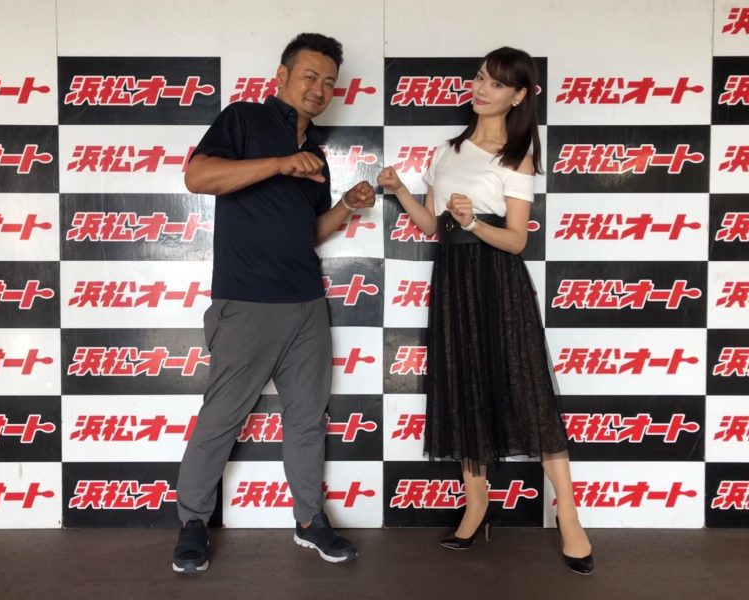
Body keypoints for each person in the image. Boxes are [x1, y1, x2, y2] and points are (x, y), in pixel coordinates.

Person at [377, 46, 594, 575]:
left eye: (496, 83)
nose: (481, 89)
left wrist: (474, 222)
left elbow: (516, 240)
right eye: (479, 77)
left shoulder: (518, 156)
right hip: (453, 279)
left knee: (529, 389)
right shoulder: (446, 151)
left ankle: (569, 517)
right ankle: (477, 506)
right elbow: (434, 226)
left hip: (499, 278)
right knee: (463, 386)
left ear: (518, 96)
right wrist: (401, 190)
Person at [173, 32, 375, 573]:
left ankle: (310, 521)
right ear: (281, 76)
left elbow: (307, 233)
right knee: (221, 418)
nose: (319, 88)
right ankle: (192, 523)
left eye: (329, 81)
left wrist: (346, 206)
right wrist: (280, 163)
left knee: (307, 420)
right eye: (309, 76)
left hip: (307, 304)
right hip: (247, 302)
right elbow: (198, 175)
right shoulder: (243, 119)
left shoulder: (317, 155)